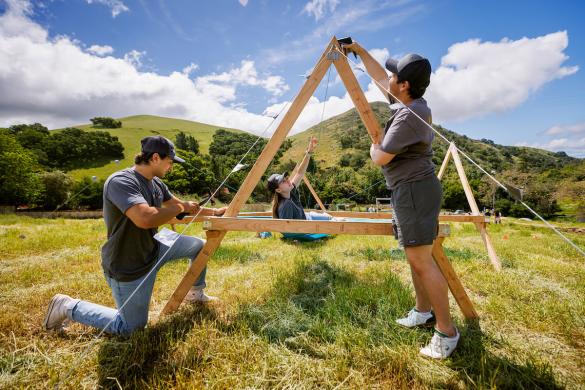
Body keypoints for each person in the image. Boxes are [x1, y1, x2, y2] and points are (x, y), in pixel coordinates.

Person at [343, 42, 459, 359]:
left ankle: (446, 332)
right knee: (416, 259)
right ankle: (423, 311)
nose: (389, 77)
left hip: (414, 191)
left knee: (423, 261)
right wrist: (358, 49)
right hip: (409, 190)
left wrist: (374, 148)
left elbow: (380, 157)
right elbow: (380, 76)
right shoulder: (410, 102)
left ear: (404, 85)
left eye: (395, 74)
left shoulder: (410, 115)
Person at [43, 136, 227, 336]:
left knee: (200, 246)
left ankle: (195, 293)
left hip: (156, 246)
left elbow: (179, 207)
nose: (171, 167)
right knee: (132, 328)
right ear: (155, 158)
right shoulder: (121, 181)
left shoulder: (156, 183)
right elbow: (145, 218)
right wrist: (181, 207)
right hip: (129, 262)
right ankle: (67, 306)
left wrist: (215, 213)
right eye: (170, 161)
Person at [267, 136, 333, 222]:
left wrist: (308, 153)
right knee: (336, 221)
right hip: (308, 221)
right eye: (283, 181)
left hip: (308, 216)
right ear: (278, 190)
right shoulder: (286, 204)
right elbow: (287, 229)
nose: (288, 180)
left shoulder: (290, 192)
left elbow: (300, 173)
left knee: (333, 218)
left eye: (286, 178)